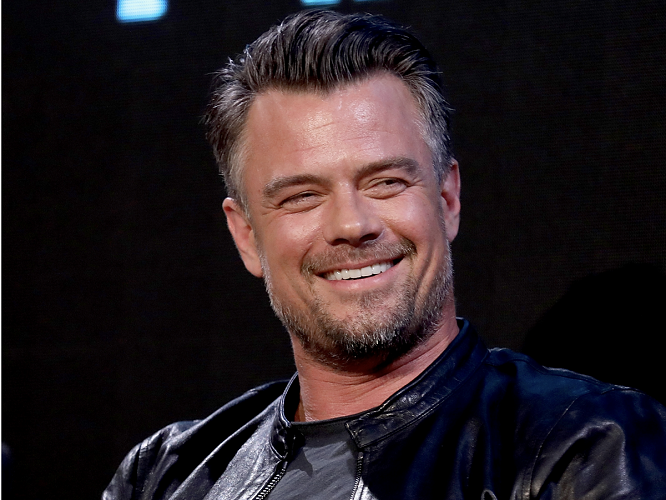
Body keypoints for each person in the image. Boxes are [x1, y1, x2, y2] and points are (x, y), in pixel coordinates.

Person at [103, 10, 666, 500]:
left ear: (447, 199)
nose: (352, 225)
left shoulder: (585, 446)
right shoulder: (166, 475)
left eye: (386, 182)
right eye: (302, 196)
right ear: (246, 234)